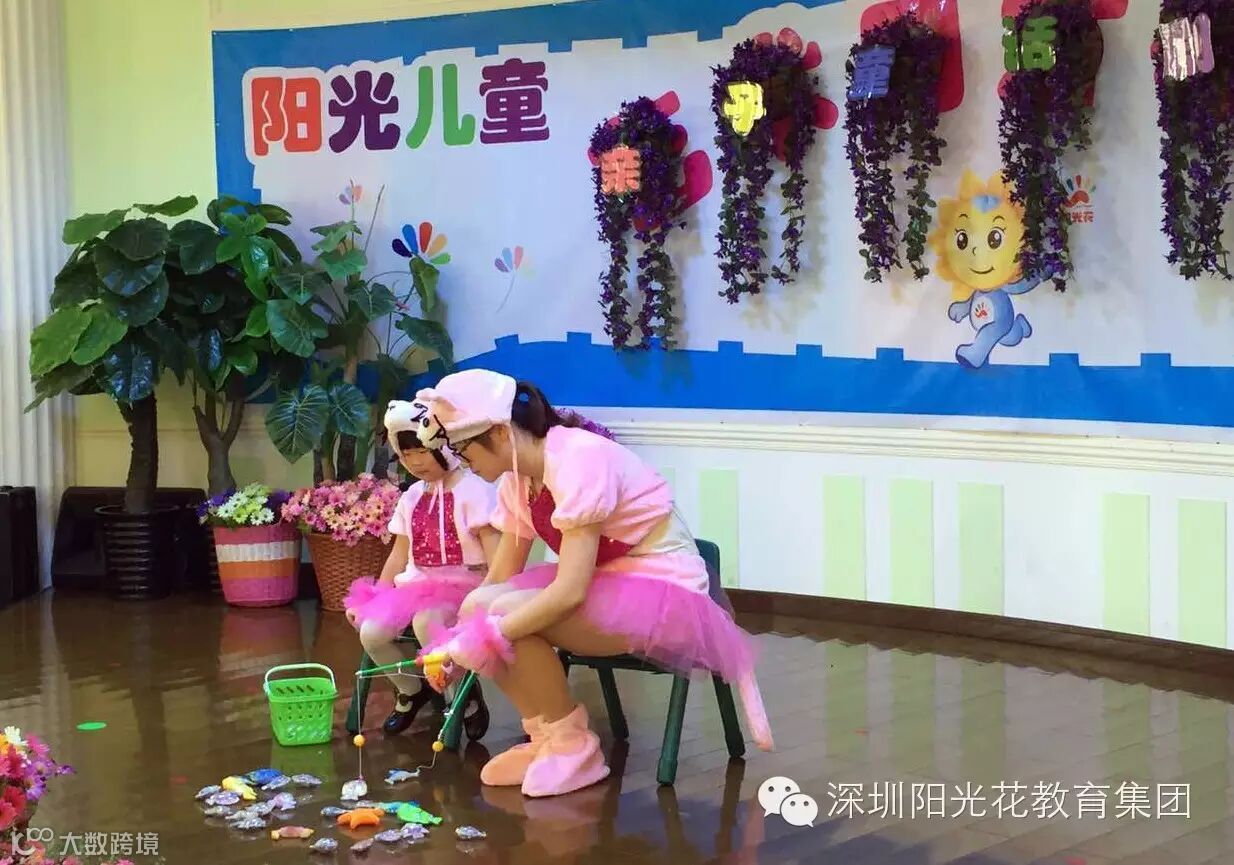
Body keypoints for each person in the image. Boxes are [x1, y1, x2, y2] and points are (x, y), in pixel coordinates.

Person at [411, 369, 772, 799]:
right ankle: (545, 737)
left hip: (662, 586)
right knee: (479, 607)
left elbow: (570, 592)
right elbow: (500, 575)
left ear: (500, 432)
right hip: (603, 582)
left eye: (461, 447)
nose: (459, 459)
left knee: (504, 616)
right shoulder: (517, 480)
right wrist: (455, 641)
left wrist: (484, 636)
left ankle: (573, 746)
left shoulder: (578, 458)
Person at [343, 399, 499, 739]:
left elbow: (496, 554)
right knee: (371, 631)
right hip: (418, 586)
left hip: (467, 587)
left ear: (444, 445)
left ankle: (461, 694)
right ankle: (412, 690)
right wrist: (376, 596)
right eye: (406, 454)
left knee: (427, 622)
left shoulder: (475, 490)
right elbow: (399, 555)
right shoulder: (411, 496)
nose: (415, 462)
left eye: (423, 451)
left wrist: (491, 592)